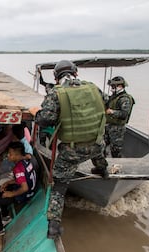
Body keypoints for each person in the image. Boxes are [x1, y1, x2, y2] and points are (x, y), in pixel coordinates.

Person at [28, 60, 108, 239]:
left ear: (56, 78)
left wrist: (35, 112)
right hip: (96, 145)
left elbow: (45, 120)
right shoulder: (93, 88)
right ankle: (103, 171)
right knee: (99, 151)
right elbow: (106, 104)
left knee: (59, 187)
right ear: (76, 73)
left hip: (71, 150)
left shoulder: (56, 93)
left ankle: (54, 227)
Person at [0, 142, 38, 237]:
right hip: (30, 189)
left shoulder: (18, 168)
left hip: (25, 194)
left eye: (10, 154)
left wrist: (11, 193)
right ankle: (5, 217)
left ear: (17, 155)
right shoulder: (25, 160)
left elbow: (24, 188)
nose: (8, 156)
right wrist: (8, 182)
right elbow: (23, 179)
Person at [104, 76, 135, 158]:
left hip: (117, 128)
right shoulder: (114, 96)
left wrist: (111, 112)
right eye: (111, 86)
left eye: (113, 86)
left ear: (120, 86)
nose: (111, 88)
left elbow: (124, 114)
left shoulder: (125, 98)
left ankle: (116, 167)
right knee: (101, 146)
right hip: (108, 126)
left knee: (115, 150)